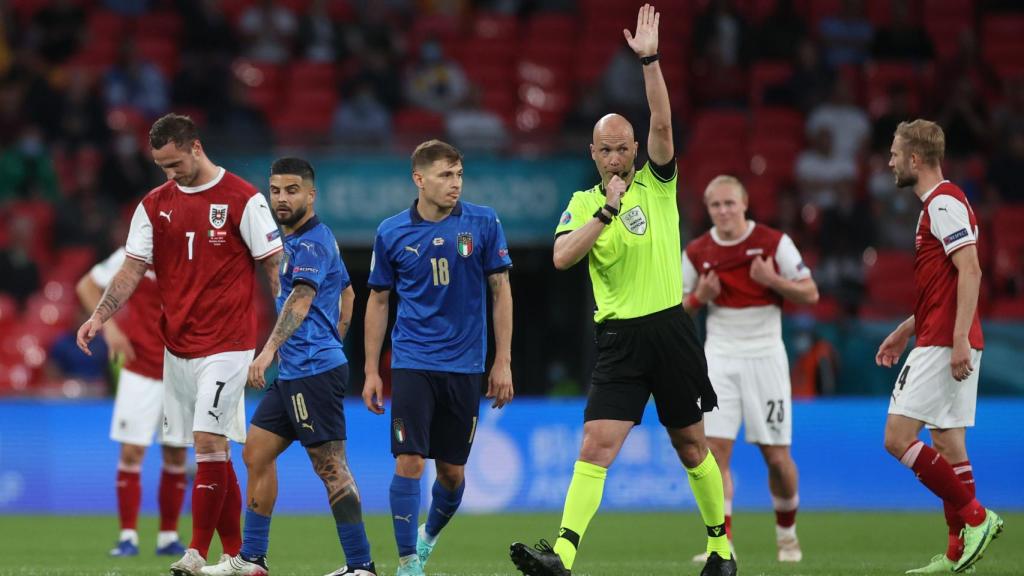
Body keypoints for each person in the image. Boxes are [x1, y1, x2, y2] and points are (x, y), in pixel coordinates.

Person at [509, 6, 736, 576]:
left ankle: (721, 549)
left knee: (691, 447)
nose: (615, 156)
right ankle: (561, 555)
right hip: (619, 340)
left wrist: (651, 62)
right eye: (604, 149)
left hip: (669, 328)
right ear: (593, 154)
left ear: (635, 149)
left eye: (622, 147)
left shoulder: (659, 183)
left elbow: (662, 121)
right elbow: (562, 256)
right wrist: (606, 214)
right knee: (595, 445)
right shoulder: (585, 205)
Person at [76, 113, 284, 576]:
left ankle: (194, 551)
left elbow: (275, 269)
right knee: (212, 450)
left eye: (174, 163)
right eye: (160, 166)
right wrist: (100, 317)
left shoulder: (243, 199)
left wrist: (280, 339)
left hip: (229, 343)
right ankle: (241, 558)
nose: (168, 173)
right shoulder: (154, 205)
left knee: (207, 442)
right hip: (178, 346)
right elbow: (129, 270)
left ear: (194, 146)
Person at [202, 158, 373, 576]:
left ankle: (361, 566)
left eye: (292, 190)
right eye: (275, 190)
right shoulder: (304, 240)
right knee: (257, 451)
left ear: (311, 195)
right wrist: (332, 336)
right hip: (299, 369)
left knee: (330, 466)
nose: (282, 198)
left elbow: (300, 299)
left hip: (311, 371)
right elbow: (348, 294)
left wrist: (268, 352)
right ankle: (253, 559)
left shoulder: (311, 243)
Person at [363, 139, 514, 576]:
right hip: (411, 362)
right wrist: (373, 370)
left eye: (459, 175)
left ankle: (427, 539)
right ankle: (408, 562)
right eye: (445, 175)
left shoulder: (483, 223)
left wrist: (502, 360)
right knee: (408, 460)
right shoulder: (391, 232)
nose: (455, 184)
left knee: (451, 473)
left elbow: (501, 291)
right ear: (419, 179)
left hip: (466, 366)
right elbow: (378, 301)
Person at [877, 120, 1003, 574]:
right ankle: (954, 555)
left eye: (894, 153)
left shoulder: (944, 202)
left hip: (945, 341)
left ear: (915, 159)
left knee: (897, 438)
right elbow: (944, 285)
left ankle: (976, 516)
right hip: (937, 333)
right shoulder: (938, 204)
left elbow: (971, 271)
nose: (889, 160)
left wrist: (955, 342)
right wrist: (905, 328)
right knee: (948, 443)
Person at [682, 175, 819, 563]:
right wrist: (699, 297)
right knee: (715, 453)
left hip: (765, 356)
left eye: (730, 203)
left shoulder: (774, 244)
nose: (723, 211)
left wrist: (771, 279)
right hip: (720, 355)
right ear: (707, 210)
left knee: (776, 458)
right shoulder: (696, 251)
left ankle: (787, 535)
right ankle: (722, 544)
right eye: (716, 205)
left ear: (744, 205)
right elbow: (675, 310)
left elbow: (811, 292)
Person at [77, 248, 189, 558]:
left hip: (182, 368)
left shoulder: (192, 249)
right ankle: (128, 536)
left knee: (177, 453)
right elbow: (86, 284)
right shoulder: (137, 253)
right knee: (131, 451)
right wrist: (110, 329)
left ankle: (168, 537)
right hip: (139, 366)